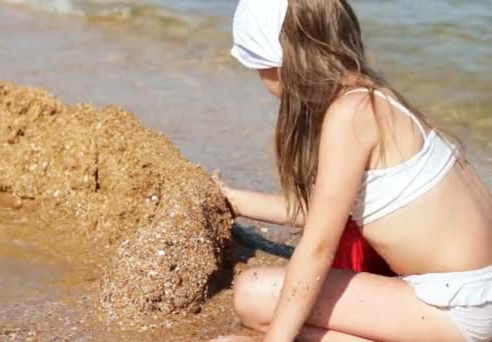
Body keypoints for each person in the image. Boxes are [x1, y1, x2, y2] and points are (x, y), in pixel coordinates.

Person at [210, 0, 492, 341]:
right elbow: (324, 212)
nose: (260, 77)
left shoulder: (350, 115)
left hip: (454, 307)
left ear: (283, 62)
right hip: (474, 294)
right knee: (258, 298)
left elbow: (317, 247)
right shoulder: (374, 98)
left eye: (257, 64)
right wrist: (231, 199)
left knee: (254, 294)